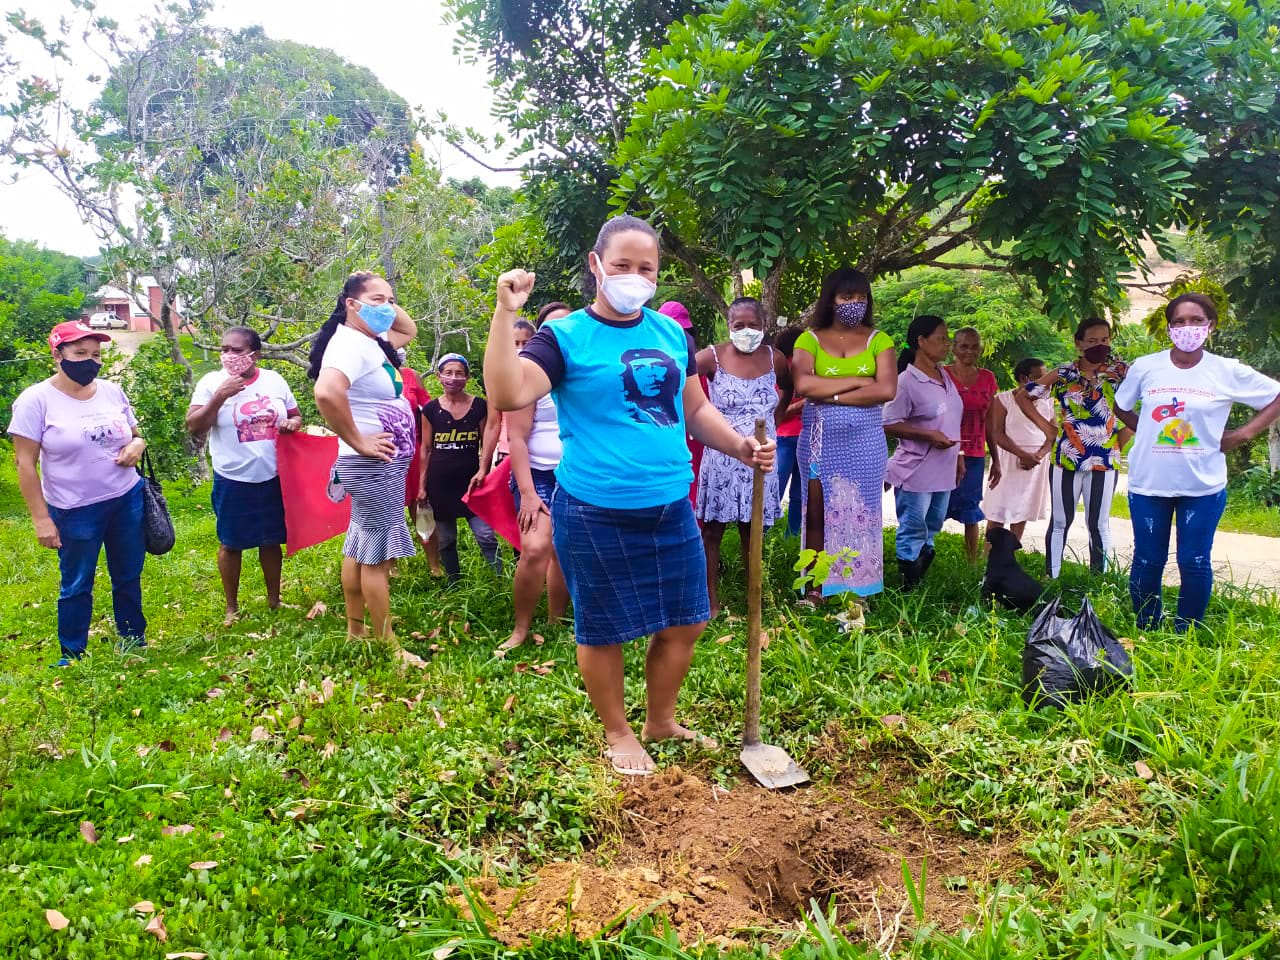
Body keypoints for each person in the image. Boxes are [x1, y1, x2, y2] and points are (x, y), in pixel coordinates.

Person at [482, 214, 775, 776]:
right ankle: (618, 732)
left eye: (647, 267)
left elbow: (694, 409)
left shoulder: (671, 334)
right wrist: (505, 313)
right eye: (622, 265)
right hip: (595, 509)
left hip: (669, 503)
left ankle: (660, 720)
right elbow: (505, 389)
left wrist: (739, 446)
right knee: (604, 627)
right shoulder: (563, 338)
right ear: (596, 265)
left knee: (687, 620)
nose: (634, 276)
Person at [1115, 293, 1280, 631]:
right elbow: (1121, 405)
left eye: (1195, 320)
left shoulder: (1226, 371)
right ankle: (1148, 628)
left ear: (1211, 326)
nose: (1187, 328)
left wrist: (1243, 434)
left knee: (1193, 561)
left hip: (1202, 486)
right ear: (1169, 328)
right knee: (1147, 559)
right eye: (1179, 321)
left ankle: (1186, 631)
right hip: (1149, 483)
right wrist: (1146, 428)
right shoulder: (1147, 367)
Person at [9, 322, 148, 665]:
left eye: (96, 355)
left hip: (125, 497)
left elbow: (135, 433)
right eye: (80, 353)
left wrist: (136, 445)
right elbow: (25, 464)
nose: (90, 361)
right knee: (77, 582)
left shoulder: (112, 391)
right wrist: (42, 519)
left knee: (128, 574)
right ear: (58, 355)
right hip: (74, 508)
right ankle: (72, 652)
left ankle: (133, 638)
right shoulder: (35, 401)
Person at [310, 271, 418, 642]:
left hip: (380, 465)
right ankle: (389, 645)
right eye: (377, 301)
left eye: (391, 299)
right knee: (378, 560)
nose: (388, 308)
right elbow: (326, 392)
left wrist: (380, 301)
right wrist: (357, 440)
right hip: (373, 464)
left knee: (360, 544)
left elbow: (409, 328)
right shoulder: (348, 345)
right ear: (350, 305)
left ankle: (356, 632)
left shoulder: (369, 339)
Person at [791, 268, 897, 601]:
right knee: (816, 512)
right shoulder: (808, 339)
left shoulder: (879, 340)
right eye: (846, 297)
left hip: (866, 441)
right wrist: (860, 382)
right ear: (831, 299)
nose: (855, 303)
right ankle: (816, 587)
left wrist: (830, 394)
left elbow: (887, 389)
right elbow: (804, 384)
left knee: (861, 512)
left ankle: (858, 586)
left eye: (861, 297)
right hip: (818, 441)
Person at [186, 326, 302, 625]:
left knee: (271, 540)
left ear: (255, 354)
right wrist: (220, 397)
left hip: (272, 473)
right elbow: (194, 426)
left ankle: (275, 599)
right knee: (231, 543)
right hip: (232, 477)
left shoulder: (274, 380)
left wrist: (292, 423)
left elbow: (296, 414)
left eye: (237, 350)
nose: (229, 355)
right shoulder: (211, 383)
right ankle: (231, 608)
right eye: (224, 349)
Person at [694, 296, 791, 617]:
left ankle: (756, 598)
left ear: (764, 326)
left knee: (754, 531)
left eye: (753, 325)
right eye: (739, 326)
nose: (746, 331)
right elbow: (683, 384)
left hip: (761, 457)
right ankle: (709, 599)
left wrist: (775, 415)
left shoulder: (774, 359)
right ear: (729, 325)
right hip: (722, 456)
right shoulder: (712, 358)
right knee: (712, 531)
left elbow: (788, 388)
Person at [1016, 317, 1132, 577]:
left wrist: (1122, 440)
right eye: (1092, 341)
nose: (1099, 345)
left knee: (1099, 524)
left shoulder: (1121, 373)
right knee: (1060, 521)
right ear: (1078, 343)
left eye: (1104, 339)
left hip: (1105, 461)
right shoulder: (1064, 373)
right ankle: (1052, 576)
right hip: (1066, 460)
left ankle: (1098, 581)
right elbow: (1025, 396)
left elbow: (1142, 406)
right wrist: (1048, 429)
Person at [497, 303, 573, 657]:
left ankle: (557, 622)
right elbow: (516, 439)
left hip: (577, 474)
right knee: (535, 549)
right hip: (538, 475)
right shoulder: (528, 373)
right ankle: (521, 627)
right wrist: (527, 492)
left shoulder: (583, 369)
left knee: (562, 551)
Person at [883, 316, 963, 590]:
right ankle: (907, 587)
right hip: (916, 468)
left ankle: (919, 582)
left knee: (933, 526)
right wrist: (927, 435)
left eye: (947, 337)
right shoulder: (906, 380)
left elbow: (951, 418)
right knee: (914, 527)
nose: (947, 343)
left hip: (945, 467)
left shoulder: (945, 375)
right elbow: (889, 422)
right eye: (941, 338)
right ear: (921, 341)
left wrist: (959, 456)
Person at [419, 354, 502, 583]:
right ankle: (453, 582)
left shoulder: (479, 407)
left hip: (472, 482)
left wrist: (485, 469)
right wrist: (421, 486)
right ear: (438, 376)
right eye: (448, 372)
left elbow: (487, 442)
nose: (453, 378)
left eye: (459, 373)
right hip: (439, 484)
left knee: (486, 536)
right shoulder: (430, 410)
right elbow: (425, 449)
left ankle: (500, 580)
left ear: (467, 377)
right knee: (446, 540)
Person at [943, 327, 999, 564]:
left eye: (974, 346)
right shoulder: (941, 374)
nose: (969, 351)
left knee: (971, 510)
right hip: (943, 452)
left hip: (975, 452)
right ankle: (924, 558)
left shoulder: (988, 378)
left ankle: (971, 563)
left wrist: (996, 459)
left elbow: (990, 421)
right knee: (937, 507)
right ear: (953, 348)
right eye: (964, 346)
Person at [983, 357, 1054, 542]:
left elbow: (1052, 436)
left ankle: (1010, 557)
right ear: (1024, 378)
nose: (1045, 383)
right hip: (1008, 461)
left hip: (1036, 464)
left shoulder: (1049, 403)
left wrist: (1038, 455)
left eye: (1046, 377)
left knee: (1022, 510)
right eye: (1039, 378)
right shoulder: (1004, 399)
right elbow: (997, 433)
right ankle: (989, 557)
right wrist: (1022, 455)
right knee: (998, 511)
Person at [657, 300, 706, 512]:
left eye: (683, 331)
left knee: (695, 484)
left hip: (696, 437)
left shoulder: (695, 364)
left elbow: (702, 406)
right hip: (665, 437)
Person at [399, 352, 443, 576]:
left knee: (422, 505)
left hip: (414, 448)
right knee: (388, 510)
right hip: (383, 452)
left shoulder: (411, 376)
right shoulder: (366, 378)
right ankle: (388, 566)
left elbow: (429, 409)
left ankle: (434, 564)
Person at [773, 326, 806, 538]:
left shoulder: (805, 368)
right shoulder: (780, 369)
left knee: (797, 494)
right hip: (785, 439)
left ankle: (790, 537)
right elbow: (776, 412)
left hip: (800, 438)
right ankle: (768, 535)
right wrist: (801, 404)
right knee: (778, 492)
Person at [494, 320, 537, 467]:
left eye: (525, 343)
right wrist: (484, 466)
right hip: (507, 452)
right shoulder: (499, 379)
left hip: (537, 455)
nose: (520, 348)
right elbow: (493, 424)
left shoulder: (544, 377)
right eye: (515, 343)